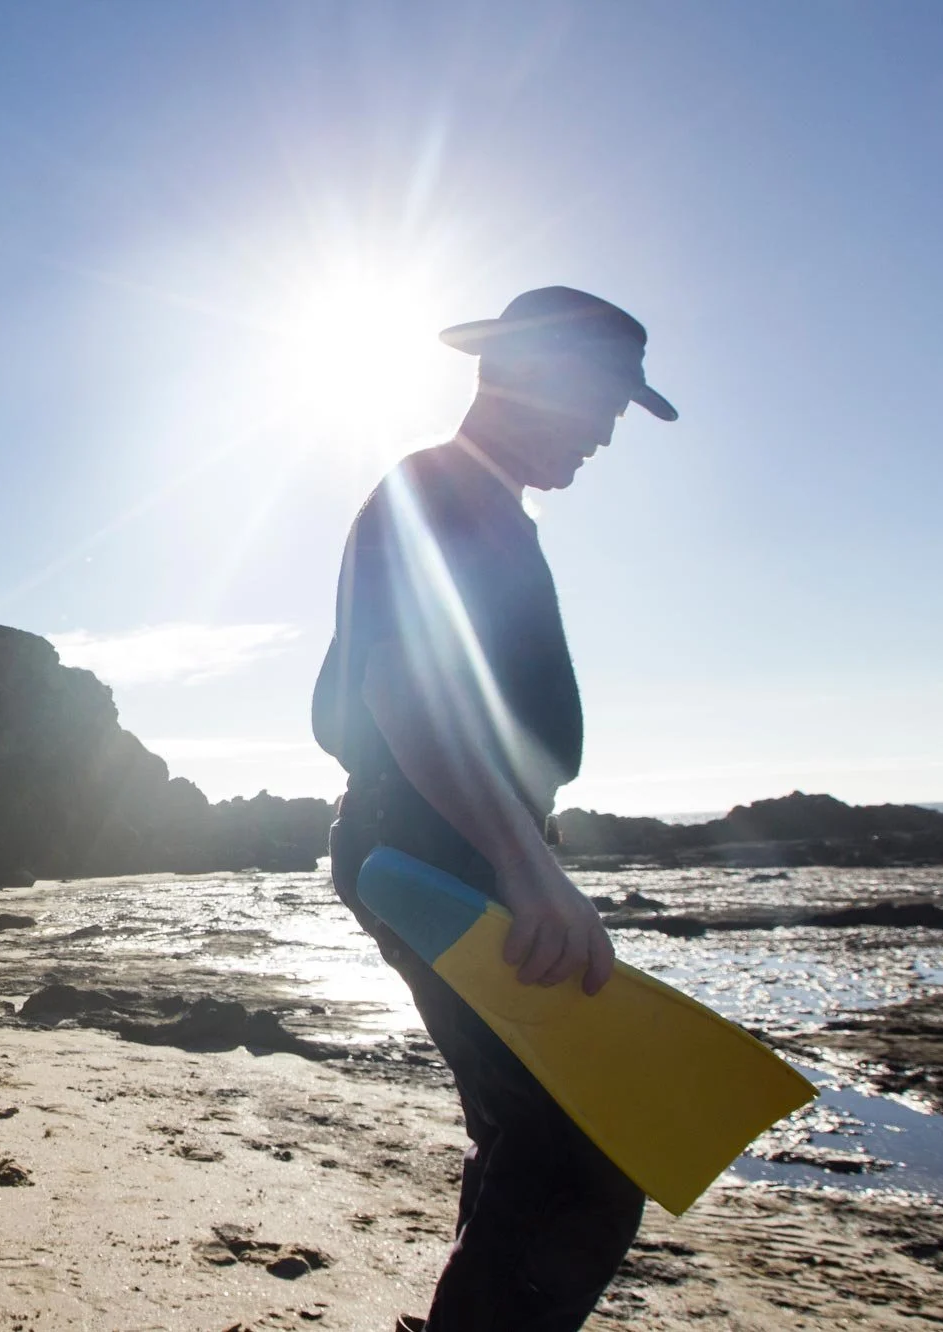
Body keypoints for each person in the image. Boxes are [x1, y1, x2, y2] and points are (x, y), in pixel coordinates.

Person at [312, 287, 677, 1330]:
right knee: (584, 1160)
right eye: (602, 401)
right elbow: (403, 693)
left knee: (524, 1138)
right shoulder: (437, 493)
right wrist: (526, 870)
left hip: (440, 845)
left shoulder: (481, 507)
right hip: (430, 853)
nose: (607, 433)